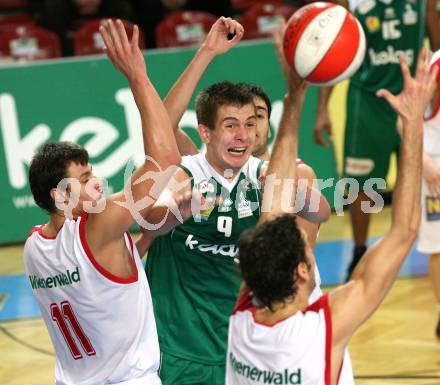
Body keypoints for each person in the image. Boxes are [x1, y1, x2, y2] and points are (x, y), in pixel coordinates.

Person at [226, 48, 438, 385]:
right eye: (307, 250)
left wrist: (294, 99)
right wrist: (412, 124)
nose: (312, 248)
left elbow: (273, 207)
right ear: (300, 271)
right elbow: (403, 232)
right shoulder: (322, 330)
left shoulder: (243, 319)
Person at [141, 19, 330, 385]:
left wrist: (289, 191)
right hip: (183, 346)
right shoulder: (188, 170)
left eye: (253, 121)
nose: (245, 133)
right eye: (232, 124)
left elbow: (320, 213)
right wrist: (207, 52)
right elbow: (153, 209)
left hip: (248, 344)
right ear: (207, 132)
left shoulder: (273, 174)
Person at [23, 20, 181, 384]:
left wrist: (147, 240)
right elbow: (166, 158)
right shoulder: (95, 226)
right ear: (60, 195)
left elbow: (97, 282)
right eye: (83, 180)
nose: (95, 183)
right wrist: (136, 75)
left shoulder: (34, 247)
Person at [314, 0, 440, 280]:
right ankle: (359, 251)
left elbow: (438, 43)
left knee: (429, 176)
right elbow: (335, 53)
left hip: (414, 98)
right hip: (368, 102)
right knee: (361, 186)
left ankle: (427, 245)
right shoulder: (351, 2)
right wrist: (323, 109)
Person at [418, 49, 440, 339]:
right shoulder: (436, 65)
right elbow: (405, 118)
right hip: (436, 164)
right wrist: (423, 162)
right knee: (439, 246)